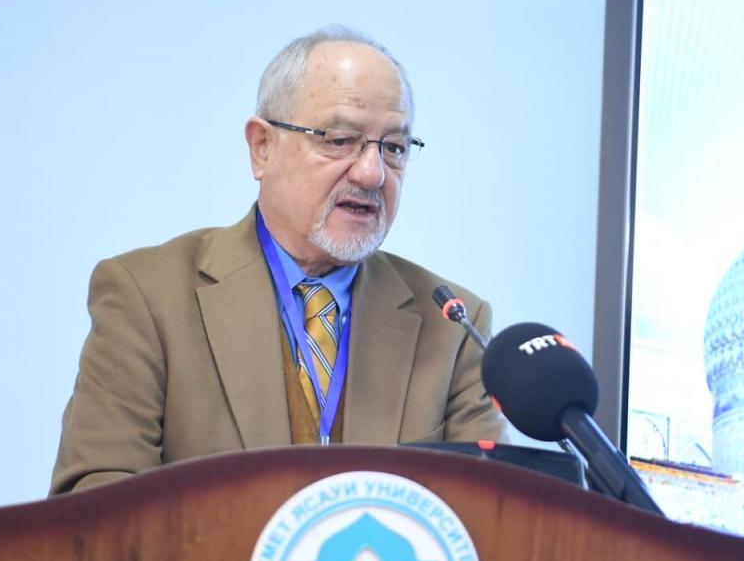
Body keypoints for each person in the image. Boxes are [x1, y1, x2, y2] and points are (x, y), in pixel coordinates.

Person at [50, 26, 506, 494]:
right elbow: (95, 501)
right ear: (261, 148)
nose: (372, 173)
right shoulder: (147, 297)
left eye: (393, 148)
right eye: (340, 139)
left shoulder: (453, 326)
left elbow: (494, 512)